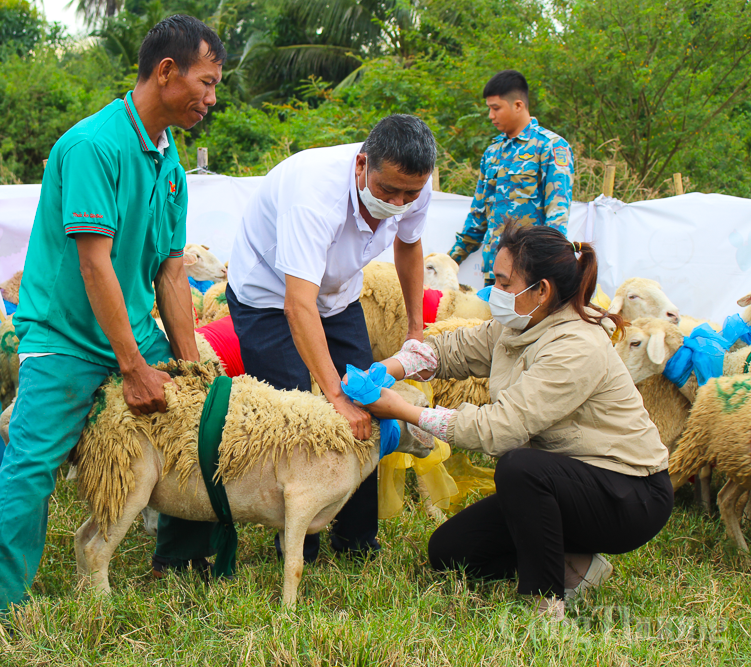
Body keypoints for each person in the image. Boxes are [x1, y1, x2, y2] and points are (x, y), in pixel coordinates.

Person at [0, 15, 226, 613]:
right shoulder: (93, 146)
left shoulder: (169, 164)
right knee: (34, 462)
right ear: (167, 72)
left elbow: (169, 271)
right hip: (64, 337)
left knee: (199, 424)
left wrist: (189, 370)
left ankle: (180, 559)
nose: (212, 99)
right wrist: (134, 368)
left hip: (134, 331)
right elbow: (95, 266)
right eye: (206, 83)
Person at [360, 222, 673, 620]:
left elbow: (499, 428)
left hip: (628, 494)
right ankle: (578, 561)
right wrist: (389, 368)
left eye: (504, 284)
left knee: (519, 468)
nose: (494, 293)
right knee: (451, 553)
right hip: (567, 478)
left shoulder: (576, 346)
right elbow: (454, 349)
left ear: (541, 290)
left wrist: (406, 411)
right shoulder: (519, 324)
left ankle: (546, 601)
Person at [226, 114, 437, 562]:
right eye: (388, 191)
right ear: (361, 165)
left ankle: (357, 537)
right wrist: (333, 396)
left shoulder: (415, 182)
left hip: (338, 296)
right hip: (269, 296)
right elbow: (297, 305)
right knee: (298, 413)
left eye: (410, 194)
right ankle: (299, 539)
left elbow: (409, 245)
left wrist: (415, 331)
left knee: (368, 401)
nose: (399, 202)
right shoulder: (313, 194)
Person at [449, 70, 574, 285]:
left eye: (496, 108)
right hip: (493, 274)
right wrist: (450, 262)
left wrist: (547, 270)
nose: (491, 116)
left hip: (529, 274)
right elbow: (478, 219)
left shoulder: (550, 146)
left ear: (518, 105)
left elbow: (556, 219)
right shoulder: (492, 152)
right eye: (489, 109)